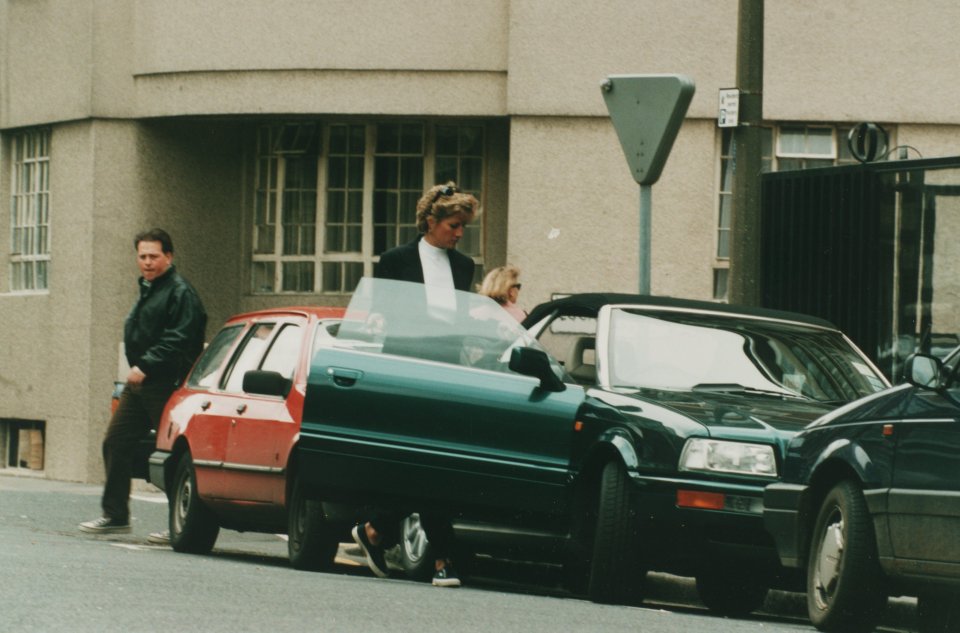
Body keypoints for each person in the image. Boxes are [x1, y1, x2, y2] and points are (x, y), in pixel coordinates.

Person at [353, 182, 479, 588]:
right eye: (454, 226)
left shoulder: (464, 267)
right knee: (422, 462)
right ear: (431, 222)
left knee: (436, 462)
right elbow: (378, 314)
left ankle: (376, 529)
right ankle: (442, 557)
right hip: (406, 370)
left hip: (447, 371)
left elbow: (462, 320)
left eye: (463, 228)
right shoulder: (396, 260)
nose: (459, 234)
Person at [80, 229, 207, 544]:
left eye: (154, 256)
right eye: (142, 256)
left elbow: (180, 337)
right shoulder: (150, 288)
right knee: (116, 442)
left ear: (169, 256)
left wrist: (146, 364)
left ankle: (181, 523)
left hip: (165, 383)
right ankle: (115, 516)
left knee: (172, 455)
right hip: (140, 383)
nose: (147, 262)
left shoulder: (180, 292)